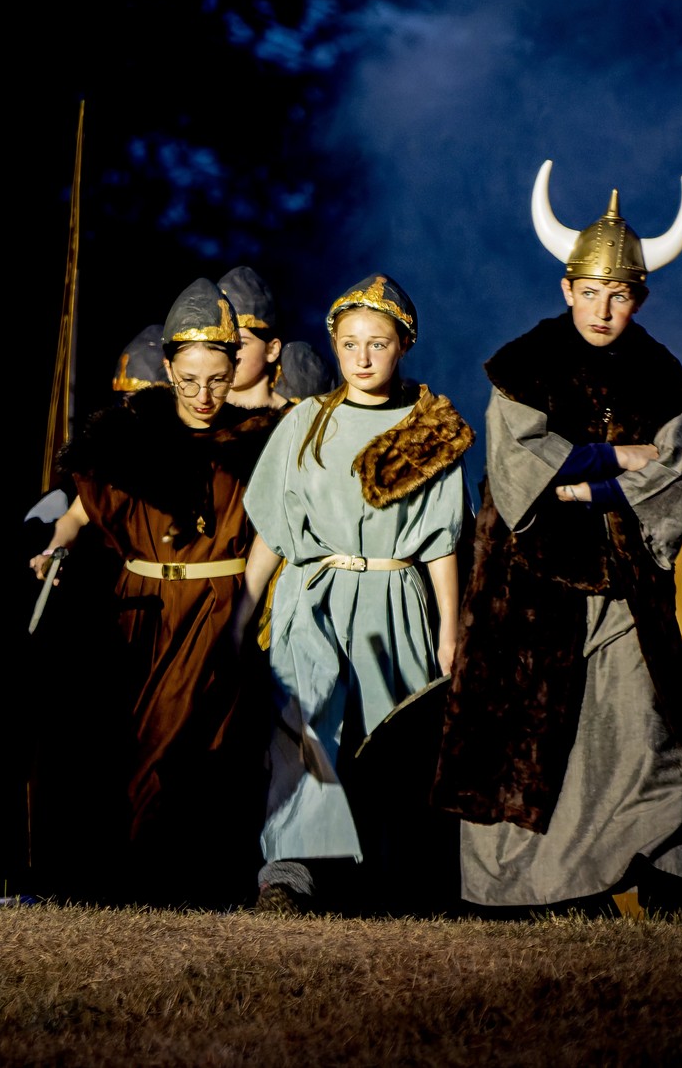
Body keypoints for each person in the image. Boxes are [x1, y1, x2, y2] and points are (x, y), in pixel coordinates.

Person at [433, 179, 682, 917]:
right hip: (529, 584)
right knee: (532, 740)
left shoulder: (661, 375)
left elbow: (670, 473)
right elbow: (522, 467)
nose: (602, 310)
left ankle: (663, 882)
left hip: (624, 582)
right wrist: (618, 458)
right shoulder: (524, 365)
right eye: (590, 293)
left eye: (618, 295)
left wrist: (590, 487)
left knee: (644, 729)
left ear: (639, 298)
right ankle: (542, 895)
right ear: (567, 289)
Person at [231, 273, 472, 913]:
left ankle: (385, 886)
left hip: (395, 599)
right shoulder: (306, 423)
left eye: (378, 343)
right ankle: (288, 876)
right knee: (304, 724)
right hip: (315, 595)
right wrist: (241, 614)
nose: (362, 358)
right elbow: (274, 530)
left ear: (403, 346)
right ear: (334, 346)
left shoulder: (429, 429)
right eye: (349, 344)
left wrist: (450, 630)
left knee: (391, 741)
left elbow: (441, 542)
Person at [33, 278, 276, 904]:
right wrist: (54, 544)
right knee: (135, 744)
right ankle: (133, 883)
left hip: (216, 609)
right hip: (140, 612)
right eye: (189, 380)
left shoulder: (257, 441)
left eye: (217, 379)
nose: (203, 395)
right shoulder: (130, 438)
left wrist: (246, 615)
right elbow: (81, 513)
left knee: (194, 744)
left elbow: (276, 529)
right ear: (168, 369)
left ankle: (174, 885)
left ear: (235, 370)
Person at [218, 266, 288, 411]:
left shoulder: (297, 420)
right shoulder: (193, 416)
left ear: (272, 349)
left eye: (241, 344)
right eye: (220, 343)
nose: (228, 354)